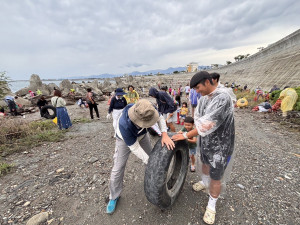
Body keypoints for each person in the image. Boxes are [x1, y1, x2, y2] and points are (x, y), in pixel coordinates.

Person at [172, 71, 235, 224]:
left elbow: (208, 123)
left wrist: (186, 135)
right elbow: (198, 119)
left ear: (207, 82)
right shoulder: (204, 98)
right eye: (194, 89)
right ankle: (205, 183)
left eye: (198, 87)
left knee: (216, 175)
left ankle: (212, 205)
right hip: (206, 141)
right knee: (205, 164)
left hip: (221, 144)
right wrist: (187, 130)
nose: (196, 91)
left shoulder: (223, 97)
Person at [106, 99, 175, 214]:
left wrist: (164, 133)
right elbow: (135, 148)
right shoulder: (125, 125)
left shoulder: (148, 108)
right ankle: (113, 196)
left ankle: (155, 186)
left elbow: (160, 118)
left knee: (152, 158)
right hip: (124, 140)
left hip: (142, 136)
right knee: (118, 169)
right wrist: (150, 161)